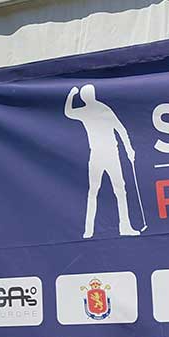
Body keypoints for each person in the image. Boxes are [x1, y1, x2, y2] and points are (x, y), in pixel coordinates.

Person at [64, 83, 140, 238]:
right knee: (96, 191)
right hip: (100, 154)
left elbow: (120, 129)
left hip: (109, 154)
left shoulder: (100, 110)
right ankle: (89, 230)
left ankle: (123, 227)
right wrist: (128, 149)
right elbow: (68, 113)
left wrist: (72, 95)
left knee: (118, 190)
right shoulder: (93, 110)